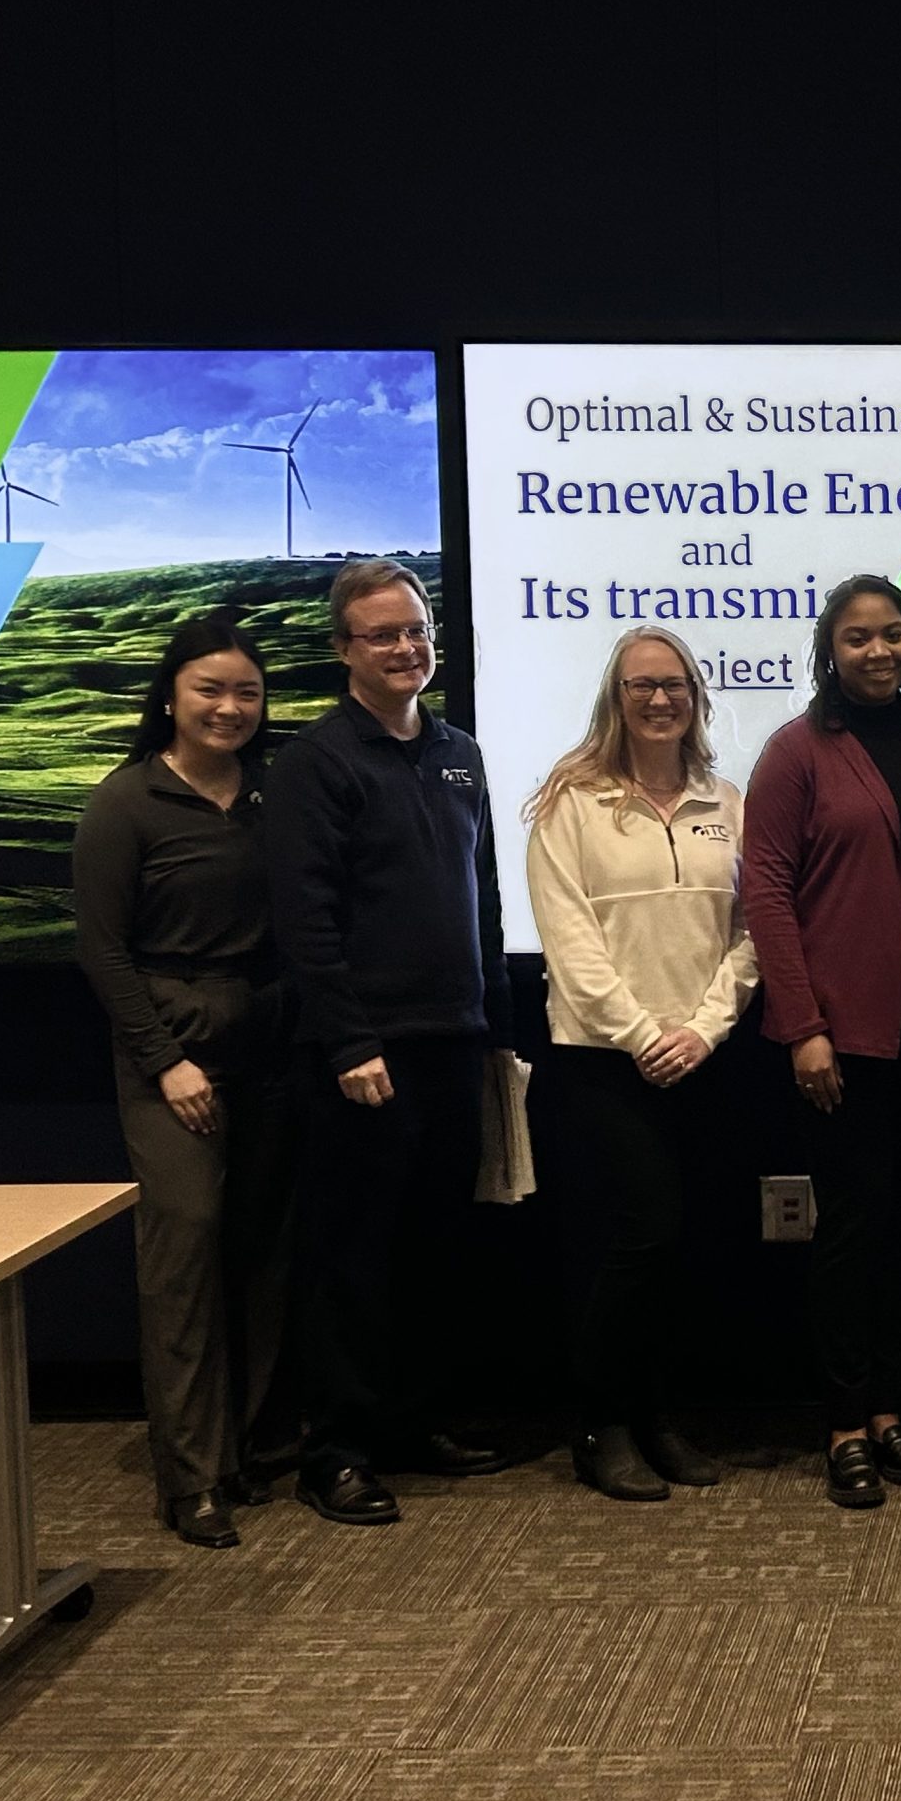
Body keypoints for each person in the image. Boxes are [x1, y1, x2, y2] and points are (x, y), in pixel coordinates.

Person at [742, 576, 901, 1509]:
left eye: (892, 635)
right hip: (842, 1042)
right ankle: (846, 1421)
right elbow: (766, 894)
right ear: (830, 651)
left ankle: (893, 1410)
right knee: (853, 1231)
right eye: (857, 639)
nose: (878, 652)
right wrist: (804, 1026)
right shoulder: (795, 753)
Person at [265, 560, 514, 1527]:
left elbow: (480, 895)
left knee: (433, 1247)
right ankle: (335, 1452)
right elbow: (307, 920)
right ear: (343, 651)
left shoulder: (459, 751)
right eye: (384, 635)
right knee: (351, 1259)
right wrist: (347, 1042)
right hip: (365, 1056)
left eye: (417, 630)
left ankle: (413, 1423)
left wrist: (492, 1012)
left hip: (456, 1039)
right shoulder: (317, 763)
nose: (407, 648)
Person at [72, 612, 297, 1549]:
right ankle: (191, 1476)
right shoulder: (125, 803)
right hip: (173, 1052)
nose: (230, 707)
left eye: (246, 691)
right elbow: (100, 949)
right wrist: (166, 1063)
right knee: (186, 1253)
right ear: (170, 694)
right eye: (211, 689)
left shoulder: (273, 795)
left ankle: (243, 1448)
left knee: (262, 1248)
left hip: (270, 1042)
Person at [525, 627, 759, 1502]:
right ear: (614, 700)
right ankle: (602, 1425)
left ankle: (660, 1418)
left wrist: (702, 1028)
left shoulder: (725, 800)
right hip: (601, 1065)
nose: (658, 701)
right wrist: (640, 1034)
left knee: (684, 1247)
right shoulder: (570, 803)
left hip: (704, 1059)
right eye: (639, 687)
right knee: (629, 1243)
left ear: (696, 697)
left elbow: (750, 933)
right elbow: (569, 940)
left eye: (674, 686)